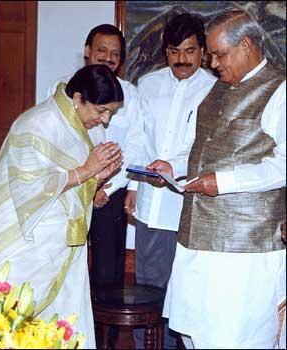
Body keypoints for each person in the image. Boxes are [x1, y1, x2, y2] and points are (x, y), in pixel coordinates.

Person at [162, 10, 286, 349]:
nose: (212, 63)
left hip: (246, 248)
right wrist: (172, 168)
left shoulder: (280, 90)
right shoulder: (217, 89)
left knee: (238, 337)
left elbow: (283, 165)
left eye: (219, 54)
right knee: (196, 332)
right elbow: (197, 148)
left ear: (246, 45)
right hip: (197, 238)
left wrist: (223, 182)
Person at [0, 64, 124, 349]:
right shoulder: (37, 124)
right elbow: (29, 189)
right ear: (78, 99)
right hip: (28, 244)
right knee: (14, 323)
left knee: (62, 322)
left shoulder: (74, 127)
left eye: (110, 113)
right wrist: (88, 170)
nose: (104, 120)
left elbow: (71, 182)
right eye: (101, 110)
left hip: (64, 246)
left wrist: (96, 178)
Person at [124, 13, 217, 349]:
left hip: (191, 205)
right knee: (148, 287)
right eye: (175, 50)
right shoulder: (147, 85)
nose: (182, 58)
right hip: (151, 203)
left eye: (190, 51)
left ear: (203, 51)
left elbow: (209, 149)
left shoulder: (215, 90)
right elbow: (139, 141)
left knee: (188, 290)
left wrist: (174, 166)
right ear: (166, 52)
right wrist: (134, 187)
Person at [48, 24, 141, 289]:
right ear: (87, 51)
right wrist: (86, 181)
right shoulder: (63, 89)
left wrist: (106, 189)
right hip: (69, 188)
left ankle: (104, 331)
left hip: (109, 193)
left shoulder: (129, 94)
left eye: (115, 53)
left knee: (108, 271)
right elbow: (55, 143)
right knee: (63, 260)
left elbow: (135, 145)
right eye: (102, 50)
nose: (108, 58)